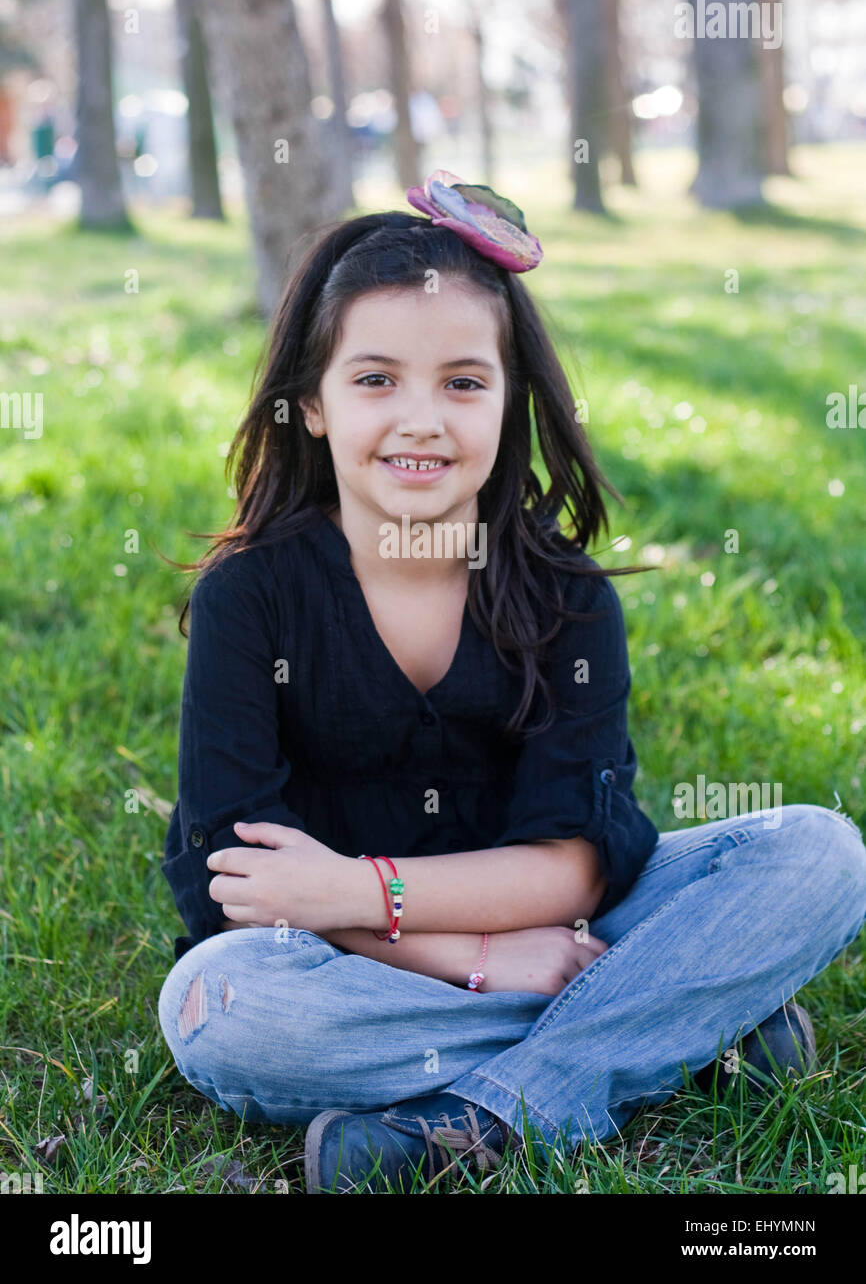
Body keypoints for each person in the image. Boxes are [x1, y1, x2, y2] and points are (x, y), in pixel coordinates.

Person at [156, 170, 866, 1194]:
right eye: (374, 380)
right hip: (343, 968)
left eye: (460, 381)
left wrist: (359, 886)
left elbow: (574, 868)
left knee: (815, 851)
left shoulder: (563, 599)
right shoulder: (251, 596)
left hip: (555, 928)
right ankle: (682, 1026)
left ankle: (484, 1116)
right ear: (308, 405)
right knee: (219, 1010)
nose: (421, 420)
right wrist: (475, 957)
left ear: (507, 399)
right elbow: (244, 882)